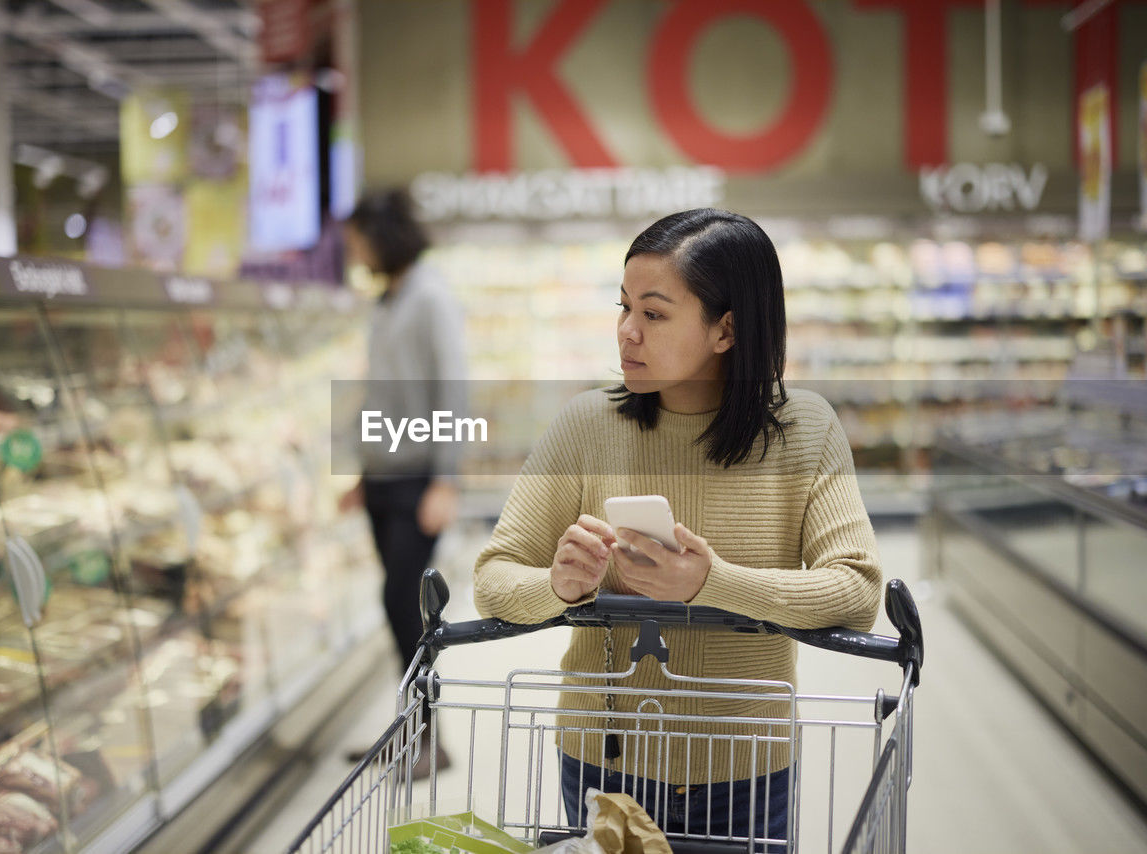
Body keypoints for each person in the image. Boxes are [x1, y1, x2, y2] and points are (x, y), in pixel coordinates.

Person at [473, 209, 882, 844]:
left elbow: (857, 593)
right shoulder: (586, 425)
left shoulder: (807, 431)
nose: (627, 333)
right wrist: (558, 585)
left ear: (726, 330)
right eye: (624, 307)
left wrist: (711, 582)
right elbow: (493, 578)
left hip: (744, 773)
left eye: (654, 314)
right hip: (603, 768)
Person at [338, 189, 464, 777]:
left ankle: (429, 739)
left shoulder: (430, 297)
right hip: (384, 477)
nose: (353, 250)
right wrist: (364, 472)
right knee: (393, 607)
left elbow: (453, 389)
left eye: (358, 238)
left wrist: (447, 479)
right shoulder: (385, 301)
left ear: (382, 235)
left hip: (417, 479)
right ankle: (410, 730)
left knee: (403, 605)